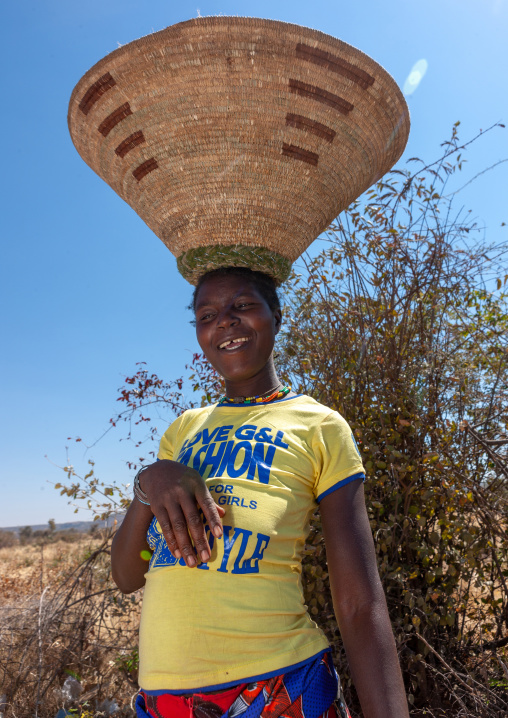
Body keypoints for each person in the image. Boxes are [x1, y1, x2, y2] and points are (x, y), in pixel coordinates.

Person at [111, 266, 410, 718]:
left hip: (279, 691)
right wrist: (148, 482)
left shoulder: (319, 426)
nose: (225, 321)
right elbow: (128, 576)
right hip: (167, 702)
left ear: (277, 315)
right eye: (207, 314)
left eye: (243, 305)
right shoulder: (183, 431)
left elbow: (358, 603)